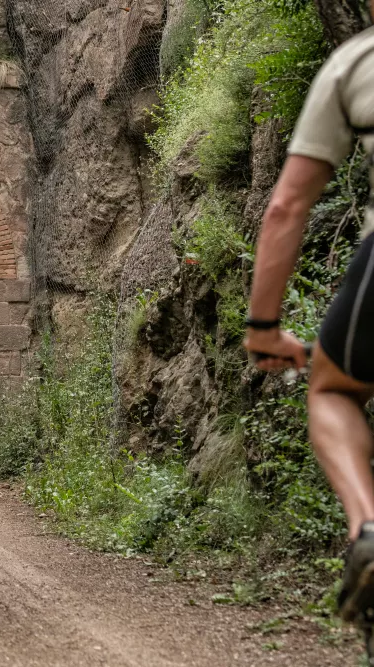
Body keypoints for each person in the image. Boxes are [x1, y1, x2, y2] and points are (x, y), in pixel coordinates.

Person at [244, 17, 374, 624]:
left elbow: (287, 204)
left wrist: (264, 326)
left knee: (332, 386)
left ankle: (368, 527)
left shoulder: (356, 62)